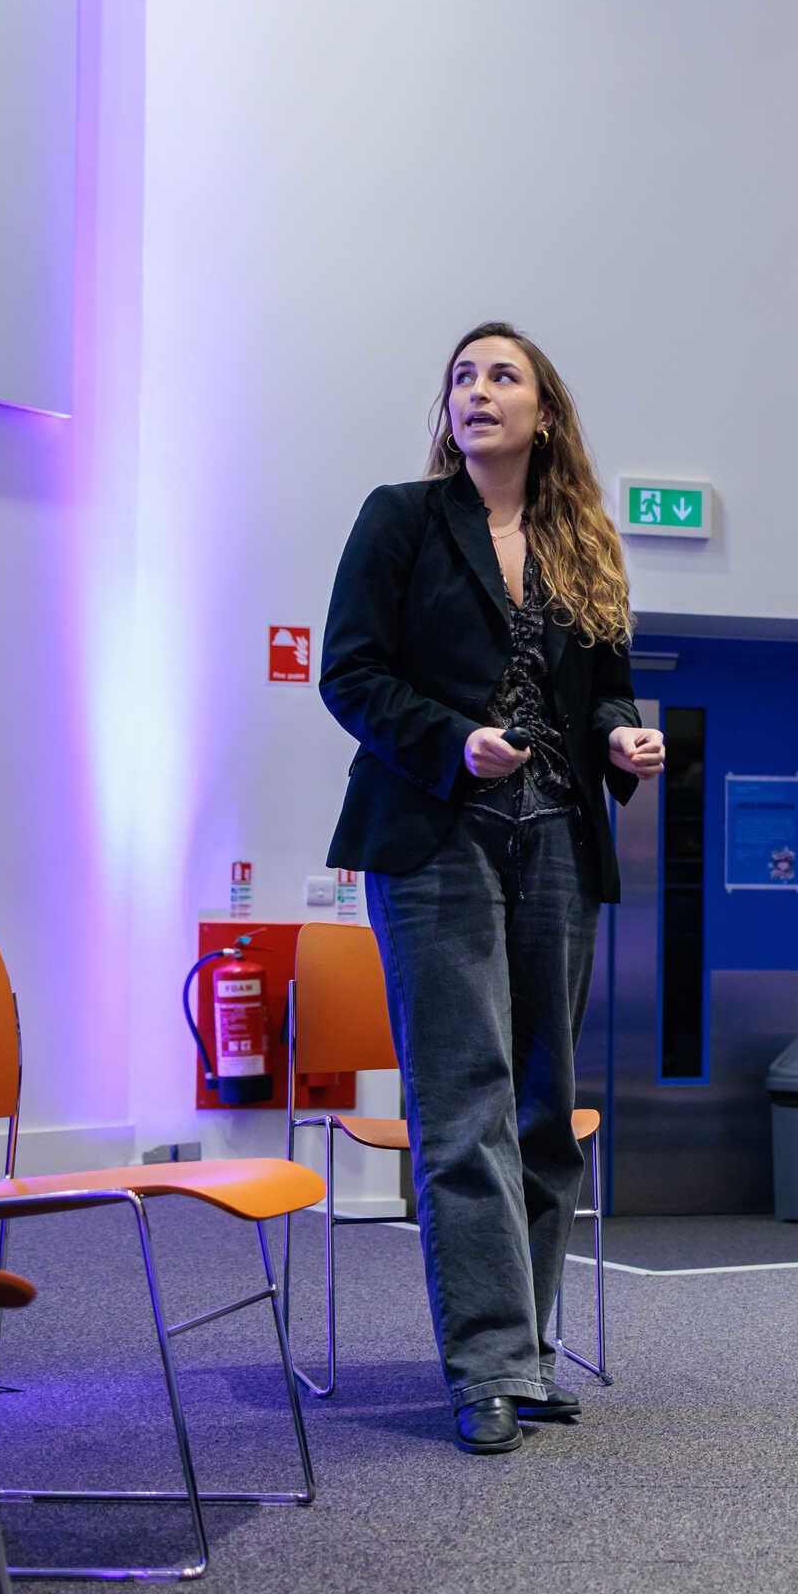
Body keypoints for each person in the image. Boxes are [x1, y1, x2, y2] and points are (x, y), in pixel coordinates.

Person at [320, 321, 669, 1455]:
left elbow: (606, 688)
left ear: (543, 413)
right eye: (462, 377)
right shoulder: (402, 519)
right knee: (466, 1106)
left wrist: (621, 739)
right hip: (438, 835)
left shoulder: (582, 543)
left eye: (502, 375)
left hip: (557, 835)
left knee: (543, 1117)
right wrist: (453, 742)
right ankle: (488, 1367)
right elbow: (349, 673)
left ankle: (528, 1350)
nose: (478, 390)